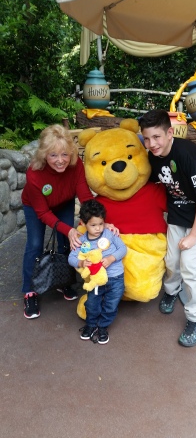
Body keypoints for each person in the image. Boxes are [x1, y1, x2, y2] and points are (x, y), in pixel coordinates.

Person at [139, 109, 196, 347]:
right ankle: (172, 291)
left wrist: (194, 236)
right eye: (147, 138)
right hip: (177, 213)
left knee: (189, 265)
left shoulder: (186, 155)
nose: (151, 143)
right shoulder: (153, 155)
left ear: (170, 133)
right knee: (172, 259)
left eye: (157, 137)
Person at [21, 124, 116, 320]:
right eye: (53, 155)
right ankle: (30, 291)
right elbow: (43, 212)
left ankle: (64, 280)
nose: (60, 160)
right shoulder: (34, 173)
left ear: (71, 153)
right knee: (35, 244)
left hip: (63, 202)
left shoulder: (75, 165)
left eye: (64, 154)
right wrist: (69, 229)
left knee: (68, 242)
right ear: (44, 154)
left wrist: (99, 221)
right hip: (36, 208)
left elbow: (84, 195)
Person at [68, 199, 127, 344]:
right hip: (94, 281)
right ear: (84, 223)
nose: (98, 228)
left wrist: (111, 258)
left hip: (115, 278)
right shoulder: (83, 242)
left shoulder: (109, 234)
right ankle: (91, 324)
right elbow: (71, 257)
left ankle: (103, 326)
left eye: (101, 224)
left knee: (111, 304)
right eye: (93, 225)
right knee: (92, 304)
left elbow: (123, 249)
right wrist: (81, 262)